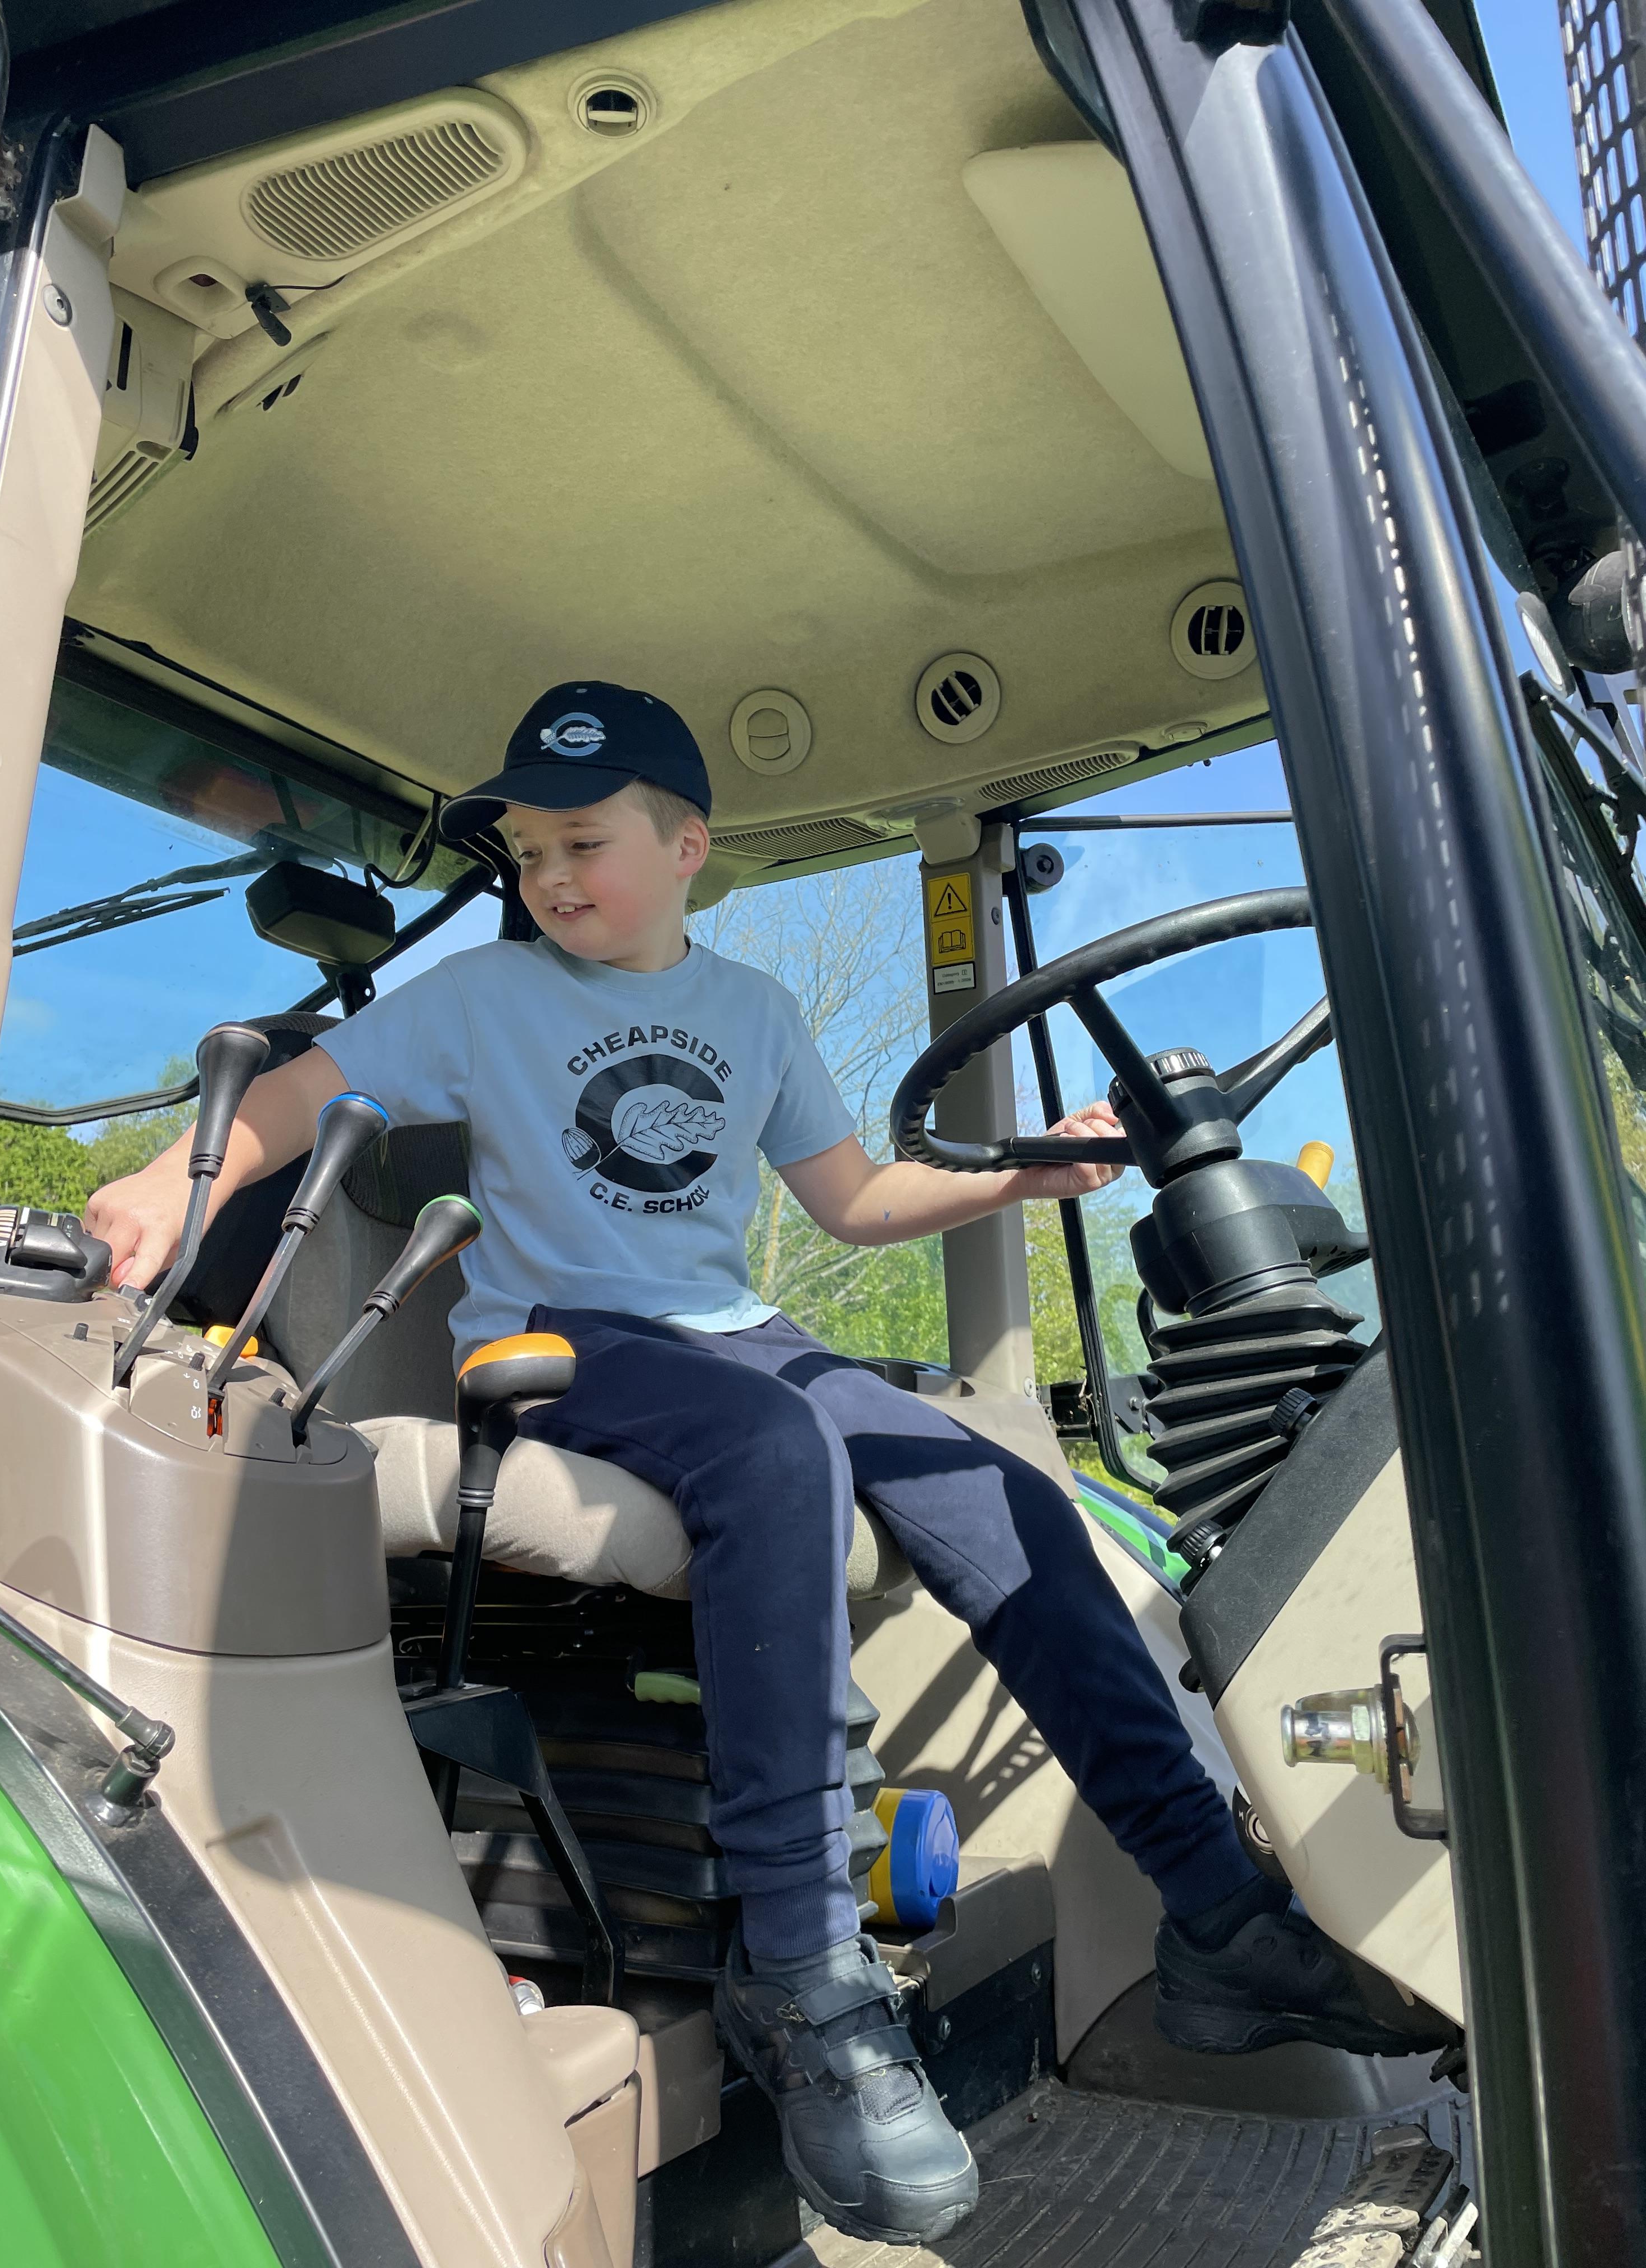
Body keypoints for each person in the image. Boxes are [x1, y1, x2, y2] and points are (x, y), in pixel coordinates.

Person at [87, 682, 1440, 2250]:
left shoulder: (755, 1013)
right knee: (779, 1450)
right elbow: (306, 1092)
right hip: (565, 1338)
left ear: (687, 849)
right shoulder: (482, 997)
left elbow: (854, 1199)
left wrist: (1027, 1179)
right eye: (531, 851)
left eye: (584, 842)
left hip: (740, 1335)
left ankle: (1214, 1911)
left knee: (1006, 1490)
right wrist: (166, 1183)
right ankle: (800, 1974)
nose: (551, 875)